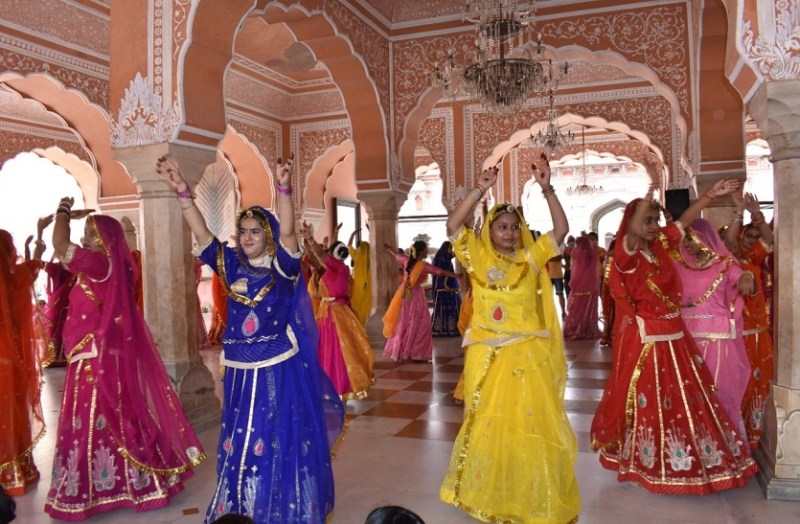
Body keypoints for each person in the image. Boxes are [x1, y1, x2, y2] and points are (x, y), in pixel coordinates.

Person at [156, 154, 343, 523]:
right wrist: (182, 191)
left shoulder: (282, 267)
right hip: (239, 371)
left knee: (274, 434)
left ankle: (280, 506)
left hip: (276, 369)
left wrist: (284, 189)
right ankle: (238, 504)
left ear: (268, 236)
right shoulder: (230, 266)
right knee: (240, 436)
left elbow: (288, 234)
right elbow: (202, 234)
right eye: (243, 231)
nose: (247, 237)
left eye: (255, 231)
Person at [590, 181, 758, 494]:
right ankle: (649, 464)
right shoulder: (629, 256)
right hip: (648, 342)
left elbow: (683, 223)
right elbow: (631, 234)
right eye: (647, 221)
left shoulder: (660, 248)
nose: (653, 226)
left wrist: (709, 195)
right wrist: (647, 199)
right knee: (651, 402)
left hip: (676, 337)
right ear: (632, 223)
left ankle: (689, 461)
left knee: (685, 401)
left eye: (655, 220)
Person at [440, 154, 580, 523]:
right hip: (486, 355)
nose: (509, 232)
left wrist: (547, 188)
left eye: (514, 227)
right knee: (488, 422)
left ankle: (528, 489)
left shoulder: (530, 258)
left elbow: (561, 230)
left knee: (527, 422)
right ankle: (489, 488)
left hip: (525, 355)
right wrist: (478, 190)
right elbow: (452, 225)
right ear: (490, 230)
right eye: (502, 227)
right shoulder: (477, 258)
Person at [44, 204, 206, 520]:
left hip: (95, 358)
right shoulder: (109, 267)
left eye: (92, 234)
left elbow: (60, 245)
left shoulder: (99, 264)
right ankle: (130, 482)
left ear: (107, 240)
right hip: (97, 354)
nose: (85, 240)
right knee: (112, 417)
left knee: (98, 419)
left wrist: (62, 210)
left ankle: (114, 487)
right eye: (86, 234)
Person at [674, 218, 752, 439]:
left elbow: (741, 275)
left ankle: (721, 441)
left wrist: (748, 276)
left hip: (716, 338)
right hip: (685, 337)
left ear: (705, 238)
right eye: (685, 239)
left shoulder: (724, 264)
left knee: (717, 388)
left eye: (691, 239)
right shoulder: (679, 264)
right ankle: (694, 441)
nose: (687, 244)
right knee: (688, 389)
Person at [300, 227, 375, 400]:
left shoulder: (336, 267)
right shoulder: (339, 268)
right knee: (337, 349)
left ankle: (338, 385)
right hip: (334, 312)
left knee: (336, 349)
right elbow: (317, 256)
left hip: (334, 314)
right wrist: (310, 244)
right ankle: (334, 384)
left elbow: (320, 255)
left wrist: (311, 240)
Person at [724, 191, 774, 448]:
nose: (752, 239)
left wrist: (757, 215)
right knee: (736, 384)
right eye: (748, 235)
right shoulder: (722, 264)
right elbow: (729, 243)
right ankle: (734, 434)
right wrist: (739, 212)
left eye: (754, 236)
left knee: (757, 383)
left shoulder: (752, 258)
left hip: (757, 334)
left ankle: (753, 435)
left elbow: (769, 238)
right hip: (732, 335)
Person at [0, 229, 45, 496]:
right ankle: (14, 471)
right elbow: (33, 267)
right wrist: (38, 240)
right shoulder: (16, 278)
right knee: (11, 409)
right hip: (9, 356)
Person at [382, 240, 457, 362]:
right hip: (415, 296)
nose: (427, 251)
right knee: (421, 323)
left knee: (403, 322)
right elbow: (440, 272)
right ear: (422, 252)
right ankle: (416, 353)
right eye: (426, 249)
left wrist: (388, 248)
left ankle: (401, 352)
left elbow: (396, 254)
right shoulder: (424, 266)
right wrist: (457, 276)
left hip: (403, 294)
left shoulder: (407, 261)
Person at [563, 234, 602, 340]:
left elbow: (565, 249)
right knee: (589, 308)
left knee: (576, 307)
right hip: (591, 287)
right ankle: (586, 328)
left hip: (578, 286)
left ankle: (576, 328)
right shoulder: (592, 253)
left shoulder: (576, 253)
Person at [430, 240, 461, 336]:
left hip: (446, 287)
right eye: (450, 248)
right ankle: (446, 329)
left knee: (449, 307)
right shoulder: (442, 257)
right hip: (444, 287)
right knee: (446, 307)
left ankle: (449, 328)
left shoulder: (441, 258)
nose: (451, 250)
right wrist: (461, 249)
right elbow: (450, 256)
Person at [348, 228, 372, 327]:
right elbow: (375, 245)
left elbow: (349, 245)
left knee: (356, 307)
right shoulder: (372, 257)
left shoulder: (357, 256)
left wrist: (353, 234)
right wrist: (371, 231)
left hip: (357, 285)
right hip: (368, 285)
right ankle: (364, 326)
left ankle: (356, 326)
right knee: (366, 307)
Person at [547, 253, 566, 319]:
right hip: (548, 276)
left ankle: (563, 312)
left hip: (558, 276)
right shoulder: (548, 249)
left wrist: (549, 257)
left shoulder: (558, 250)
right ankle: (550, 313)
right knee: (548, 296)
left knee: (560, 294)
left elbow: (559, 257)